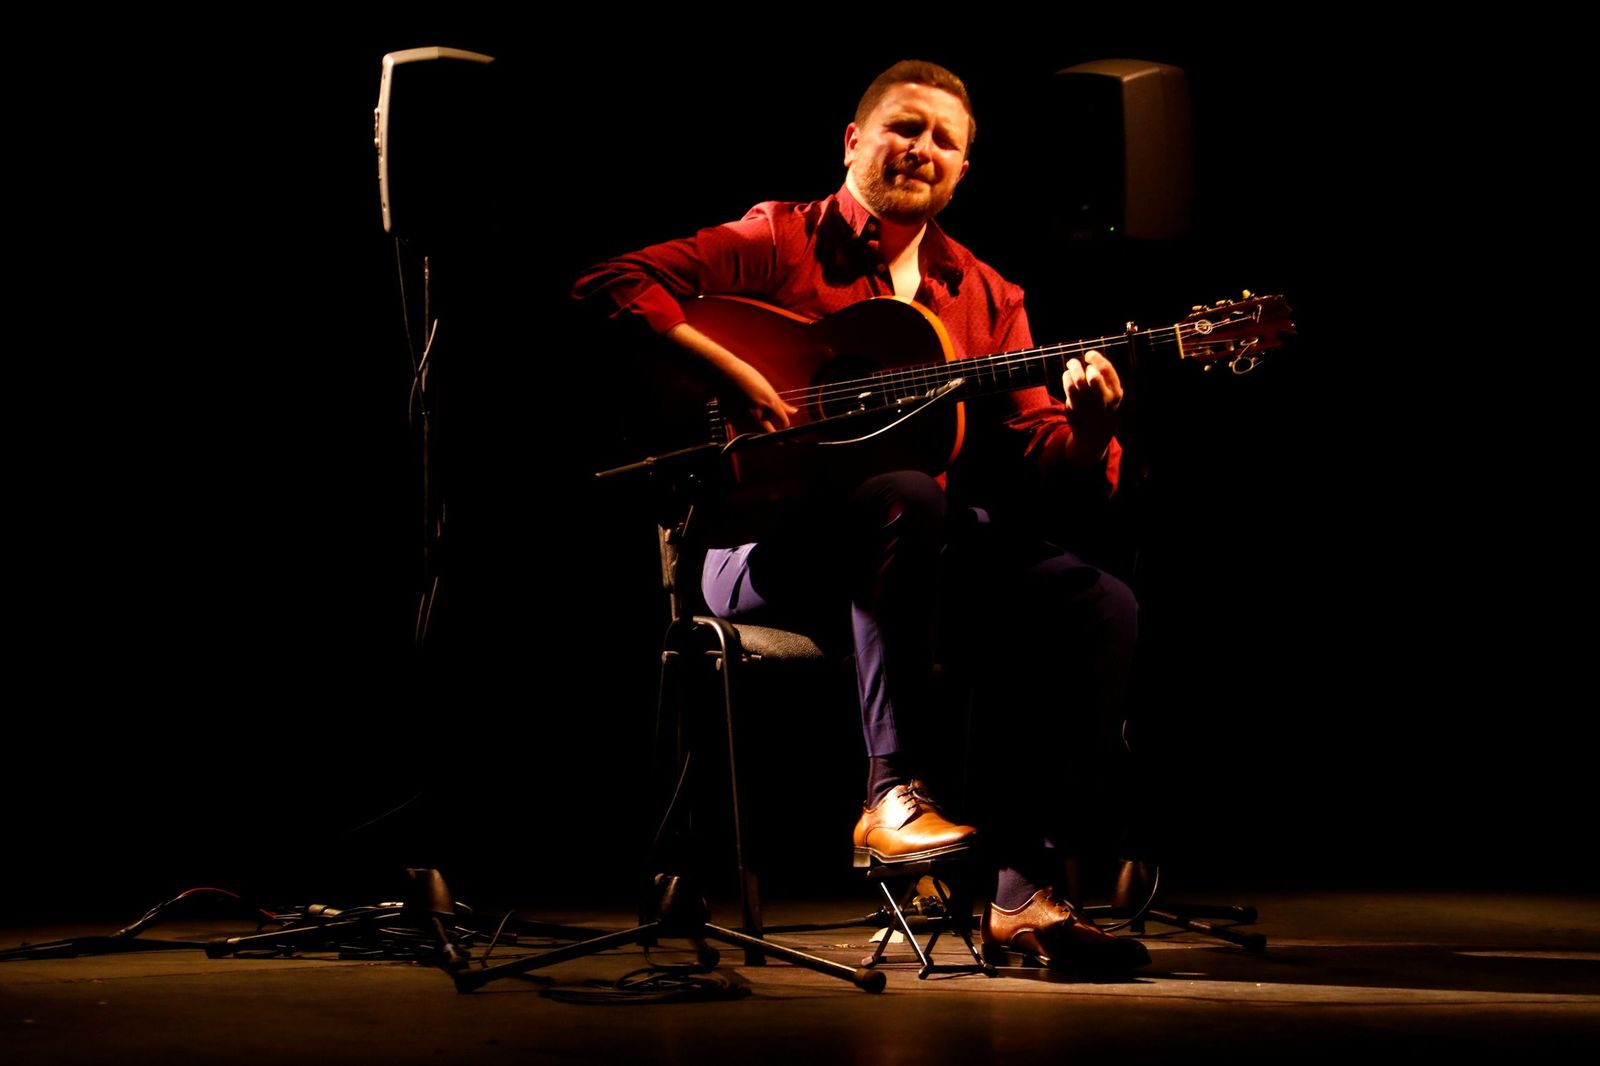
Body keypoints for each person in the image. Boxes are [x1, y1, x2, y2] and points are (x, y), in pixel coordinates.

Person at [575, 60, 1147, 971]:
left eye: (944, 141)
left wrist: (1091, 434)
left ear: (963, 170)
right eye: (903, 128)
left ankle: (1022, 895)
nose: (922, 150)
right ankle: (890, 796)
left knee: (1095, 601)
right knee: (908, 494)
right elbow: (611, 281)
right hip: (754, 549)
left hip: (901, 551)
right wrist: (733, 373)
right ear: (854, 140)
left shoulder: (988, 295)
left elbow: (1045, 449)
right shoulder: (778, 240)